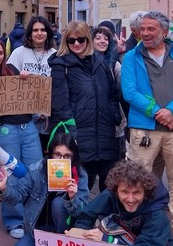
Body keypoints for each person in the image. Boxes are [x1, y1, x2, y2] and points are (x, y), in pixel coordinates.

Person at [121, 11, 173, 246]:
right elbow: (129, 91)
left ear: (164, 31)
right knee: (138, 180)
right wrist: (159, 112)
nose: (144, 33)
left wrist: (172, 111)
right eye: (142, 29)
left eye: (150, 29)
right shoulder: (131, 57)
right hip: (144, 129)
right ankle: (138, 225)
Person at [0, 130, 89, 246]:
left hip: (65, 231)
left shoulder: (80, 175)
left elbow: (83, 213)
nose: (61, 160)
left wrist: (72, 197)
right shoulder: (36, 170)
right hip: (37, 230)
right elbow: (18, 196)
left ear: (73, 158)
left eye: (67, 156)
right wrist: (4, 187)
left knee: (58, 203)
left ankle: (59, 245)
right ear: (50, 154)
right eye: (58, 154)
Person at [49, 22, 121, 192]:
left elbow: (112, 93)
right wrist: (72, 131)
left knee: (110, 188)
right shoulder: (61, 66)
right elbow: (60, 103)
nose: (76, 44)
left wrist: (114, 115)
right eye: (71, 40)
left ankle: (105, 219)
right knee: (77, 188)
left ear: (87, 39)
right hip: (78, 136)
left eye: (80, 39)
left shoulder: (101, 63)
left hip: (105, 134)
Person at [0, 38, 43, 239]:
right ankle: (14, 220)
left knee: (35, 169)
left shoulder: (11, 69)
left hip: (28, 128)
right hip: (6, 129)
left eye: (0, 53)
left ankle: (35, 214)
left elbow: (30, 92)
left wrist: (26, 77)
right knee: (11, 171)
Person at [7, 16, 57, 150]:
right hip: (26, 119)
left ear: (48, 33)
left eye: (42, 30)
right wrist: (19, 78)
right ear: (29, 33)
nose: (39, 33)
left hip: (50, 117)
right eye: (35, 30)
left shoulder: (56, 55)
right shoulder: (19, 53)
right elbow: (8, 81)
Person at [92, 25, 127, 159]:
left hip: (113, 120)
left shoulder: (114, 65)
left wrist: (122, 54)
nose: (102, 41)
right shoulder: (84, 63)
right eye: (98, 38)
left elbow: (124, 84)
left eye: (106, 39)